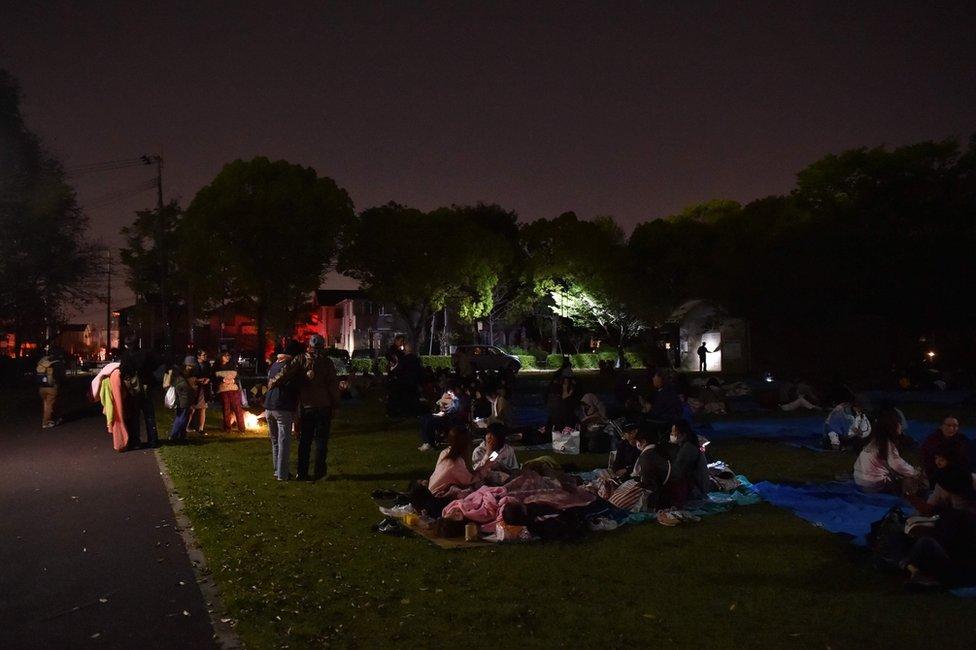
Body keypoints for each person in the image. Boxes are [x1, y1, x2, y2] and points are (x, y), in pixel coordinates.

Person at [295, 335, 341, 481]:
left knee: (305, 441)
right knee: (321, 441)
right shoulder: (327, 363)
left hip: (307, 406)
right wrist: (335, 405)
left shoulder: (301, 360)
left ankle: (302, 472)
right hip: (323, 406)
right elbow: (333, 386)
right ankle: (319, 472)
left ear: (309, 346)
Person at [853, 411, 922, 494]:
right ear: (893, 426)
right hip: (871, 485)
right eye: (899, 423)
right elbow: (897, 464)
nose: (901, 426)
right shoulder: (886, 444)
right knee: (909, 480)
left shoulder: (876, 441)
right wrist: (914, 472)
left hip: (859, 481)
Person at [265, 340, 304, 481]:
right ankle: (282, 474)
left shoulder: (275, 364)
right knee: (284, 442)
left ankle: (277, 470)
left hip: (269, 405)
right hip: (282, 406)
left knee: (275, 441)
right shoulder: (290, 367)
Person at [120, 337, 160, 450]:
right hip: (146, 386)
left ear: (127, 345)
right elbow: (155, 365)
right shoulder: (146, 354)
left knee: (134, 416)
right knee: (149, 415)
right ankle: (153, 440)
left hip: (134, 389)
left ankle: (136, 441)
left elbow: (123, 371)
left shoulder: (126, 356)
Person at [418, 383, 461, 451]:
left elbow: (456, 408)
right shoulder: (447, 396)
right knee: (423, 418)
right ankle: (426, 442)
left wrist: (446, 408)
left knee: (429, 422)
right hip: (443, 415)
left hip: (450, 418)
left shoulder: (458, 398)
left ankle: (430, 444)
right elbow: (441, 403)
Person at [213, 350, 246, 434]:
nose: (227, 357)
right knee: (226, 408)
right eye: (225, 356)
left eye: (228, 355)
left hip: (233, 389)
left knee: (237, 408)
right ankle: (227, 427)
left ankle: (241, 428)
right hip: (223, 390)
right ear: (221, 357)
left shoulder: (232, 365)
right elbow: (213, 377)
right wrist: (222, 379)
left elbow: (237, 376)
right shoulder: (217, 366)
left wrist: (233, 380)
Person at [36, 345, 66, 428]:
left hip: (41, 386)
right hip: (52, 386)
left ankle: (51, 418)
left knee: (46, 403)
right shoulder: (58, 362)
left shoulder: (44, 360)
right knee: (50, 404)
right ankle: (47, 422)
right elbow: (61, 376)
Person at [168, 356, 197, 443]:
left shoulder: (180, 374)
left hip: (183, 399)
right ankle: (174, 435)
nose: (191, 368)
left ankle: (181, 436)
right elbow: (182, 387)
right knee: (181, 418)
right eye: (190, 366)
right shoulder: (181, 376)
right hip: (183, 399)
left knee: (182, 417)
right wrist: (191, 387)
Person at [187, 349, 211, 433]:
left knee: (202, 408)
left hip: (203, 389)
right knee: (191, 408)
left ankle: (201, 428)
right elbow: (189, 376)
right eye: (203, 355)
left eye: (205, 355)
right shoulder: (193, 365)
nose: (205, 357)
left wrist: (207, 379)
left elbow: (209, 374)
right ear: (198, 356)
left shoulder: (207, 364)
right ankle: (186, 426)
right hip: (194, 389)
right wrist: (197, 380)